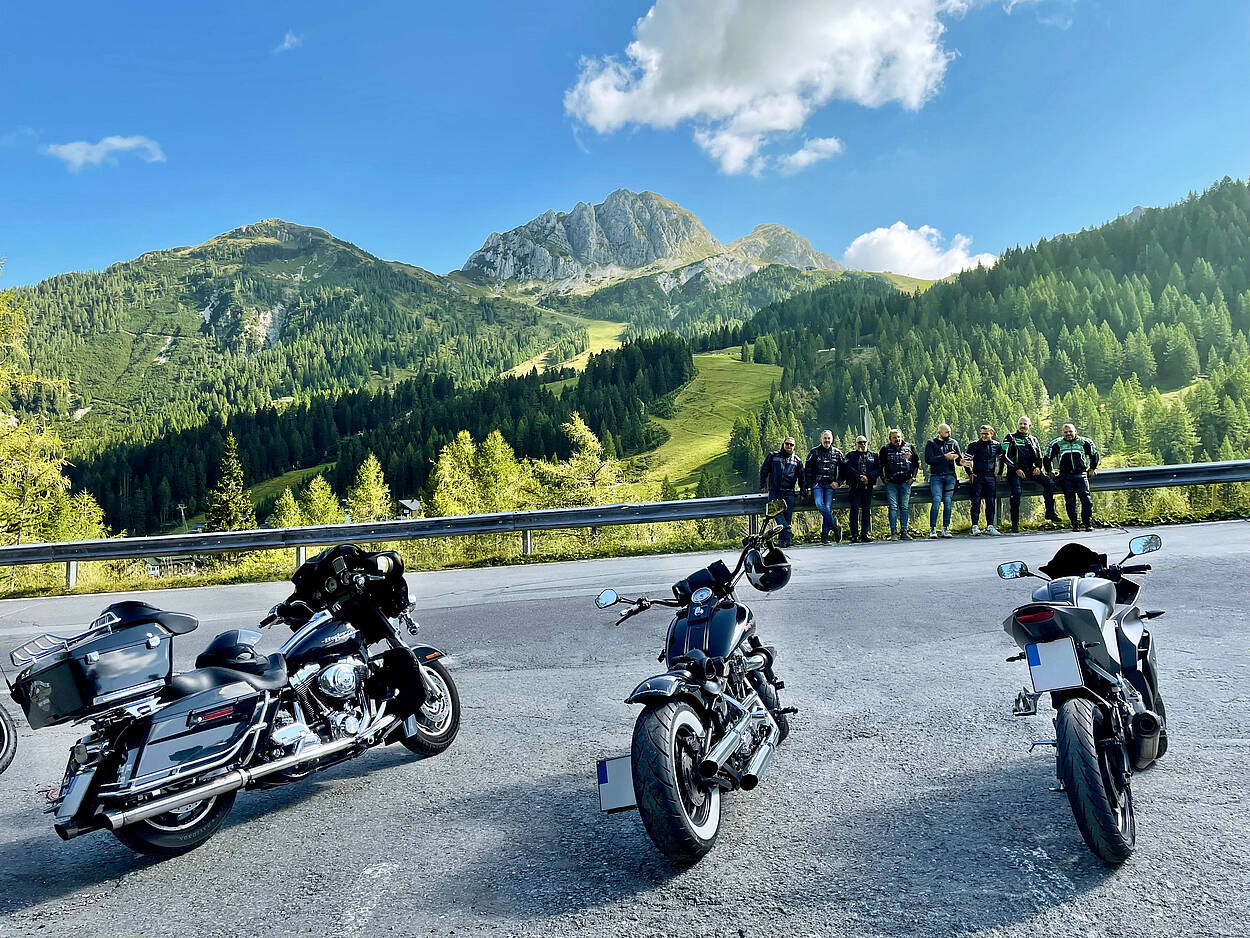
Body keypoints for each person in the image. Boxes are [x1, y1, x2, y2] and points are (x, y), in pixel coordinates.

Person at [999, 416, 1062, 532]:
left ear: (1029, 426)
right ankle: (1015, 524)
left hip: (1030, 469)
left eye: (1025, 424)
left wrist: (1038, 467)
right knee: (1016, 493)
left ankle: (1050, 513)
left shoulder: (1033, 439)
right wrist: (1016, 469)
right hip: (1014, 470)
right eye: (1021, 424)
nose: (1022, 426)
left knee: (1049, 483)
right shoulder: (1010, 437)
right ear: (1018, 425)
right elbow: (1005, 456)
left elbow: (1038, 456)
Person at [1045, 423, 1100, 532]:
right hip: (1065, 476)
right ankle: (1075, 524)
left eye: (1070, 431)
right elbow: (1047, 457)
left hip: (1081, 474)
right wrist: (1049, 470)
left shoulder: (1085, 442)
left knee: (1086, 500)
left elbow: (1095, 455)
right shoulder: (1056, 444)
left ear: (1075, 431)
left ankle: (1087, 523)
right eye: (1066, 432)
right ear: (1062, 433)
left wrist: (1092, 468)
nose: (1068, 434)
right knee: (1070, 501)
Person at [760, 436, 805, 547]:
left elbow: (802, 477)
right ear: (783, 444)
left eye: (791, 444)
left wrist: (803, 490)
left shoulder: (797, 460)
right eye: (787, 444)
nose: (789, 446)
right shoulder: (773, 456)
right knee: (777, 514)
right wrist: (763, 484)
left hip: (789, 492)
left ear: (794, 447)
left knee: (787, 518)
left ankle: (784, 541)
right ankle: (788, 532)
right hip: (775, 491)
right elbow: (764, 470)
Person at [878, 429, 919, 540]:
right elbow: (879, 465)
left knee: (904, 507)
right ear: (890, 439)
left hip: (905, 483)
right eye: (894, 437)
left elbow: (916, 464)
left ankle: (904, 531)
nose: (897, 439)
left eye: (899, 437)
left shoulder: (909, 447)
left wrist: (913, 478)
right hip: (891, 483)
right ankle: (893, 533)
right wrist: (883, 478)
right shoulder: (885, 449)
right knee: (893, 507)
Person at [804, 430, 844, 544]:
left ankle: (824, 536)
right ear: (821, 439)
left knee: (827, 507)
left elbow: (844, 470)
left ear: (832, 439)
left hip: (830, 485)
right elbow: (808, 471)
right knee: (819, 504)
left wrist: (838, 482)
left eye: (829, 438)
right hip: (817, 484)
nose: (827, 440)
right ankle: (835, 527)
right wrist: (808, 487)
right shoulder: (814, 452)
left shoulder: (837, 453)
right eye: (825, 438)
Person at [924, 423, 962, 539]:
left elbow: (958, 459)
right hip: (936, 476)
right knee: (936, 500)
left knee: (948, 501)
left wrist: (963, 462)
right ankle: (933, 528)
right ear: (939, 432)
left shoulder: (953, 443)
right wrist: (944, 457)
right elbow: (928, 459)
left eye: (949, 432)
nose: (948, 434)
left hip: (950, 476)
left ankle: (946, 527)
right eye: (946, 432)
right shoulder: (931, 443)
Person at [964, 424, 1001, 535]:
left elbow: (1002, 460)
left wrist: (999, 473)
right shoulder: (974, 445)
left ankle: (990, 526)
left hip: (991, 476)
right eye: (982, 434)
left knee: (990, 501)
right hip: (978, 476)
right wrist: (969, 473)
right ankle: (975, 526)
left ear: (992, 433)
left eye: (986, 434)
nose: (984, 436)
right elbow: (965, 461)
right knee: (975, 501)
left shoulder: (997, 445)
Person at [842, 435, 879, 542]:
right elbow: (846, 469)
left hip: (868, 487)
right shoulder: (850, 455)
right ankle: (854, 534)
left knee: (866, 510)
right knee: (854, 510)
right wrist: (859, 477)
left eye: (864, 442)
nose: (862, 445)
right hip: (855, 486)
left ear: (867, 443)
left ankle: (864, 534)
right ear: (856, 444)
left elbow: (878, 469)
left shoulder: (874, 456)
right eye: (860, 443)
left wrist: (869, 477)